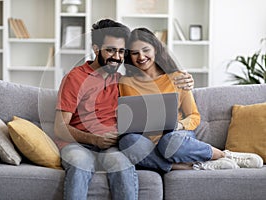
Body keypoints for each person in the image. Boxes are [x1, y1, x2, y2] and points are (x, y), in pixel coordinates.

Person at [54, 19, 195, 200]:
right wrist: (94, 139)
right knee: (81, 164)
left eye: (121, 51)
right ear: (96, 49)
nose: (117, 57)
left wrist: (186, 80)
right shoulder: (74, 78)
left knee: (121, 164)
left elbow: (155, 84)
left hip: (111, 146)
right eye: (110, 50)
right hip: (76, 144)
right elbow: (60, 127)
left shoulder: (122, 80)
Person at [118, 27, 263, 173]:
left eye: (145, 50)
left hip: (175, 137)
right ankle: (191, 165)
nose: (141, 57)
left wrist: (178, 125)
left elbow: (194, 116)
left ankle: (224, 155)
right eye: (135, 53)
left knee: (169, 142)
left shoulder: (178, 78)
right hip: (145, 143)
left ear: (155, 49)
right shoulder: (125, 82)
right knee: (127, 142)